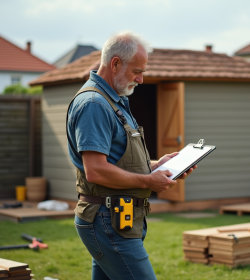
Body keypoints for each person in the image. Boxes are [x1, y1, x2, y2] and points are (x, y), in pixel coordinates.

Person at [66, 31, 196, 280]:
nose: (142, 79)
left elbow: (116, 160)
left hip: (119, 218)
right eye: (138, 71)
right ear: (115, 64)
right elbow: (96, 170)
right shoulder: (94, 104)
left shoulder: (113, 101)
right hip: (107, 220)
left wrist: (157, 166)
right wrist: (149, 181)